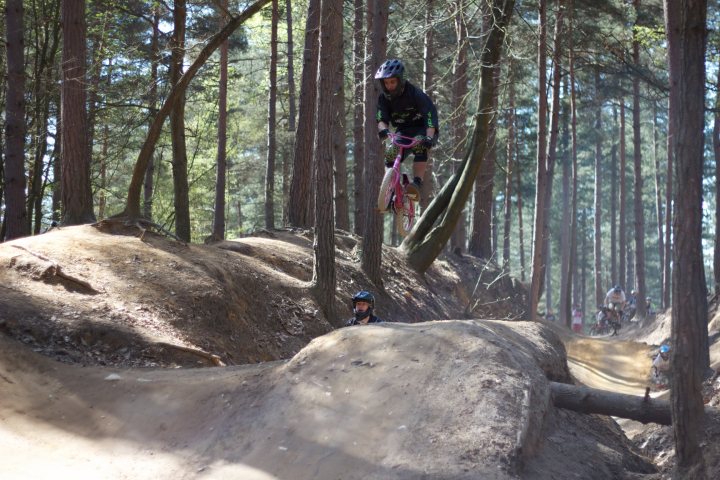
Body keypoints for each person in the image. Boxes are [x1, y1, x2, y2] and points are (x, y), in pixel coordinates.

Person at [375, 59, 439, 200]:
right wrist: (383, 130)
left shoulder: (415, 94)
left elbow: (430, 117)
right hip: (404, 130)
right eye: (386, 83)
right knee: (391, 153)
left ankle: (416, 183)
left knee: (420, 145)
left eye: (392, 82)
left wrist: (429, 137)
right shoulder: (383, 99)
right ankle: (391, 187)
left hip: (423, 128)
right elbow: (381, 119)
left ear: (400, 80)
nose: (389, 86)